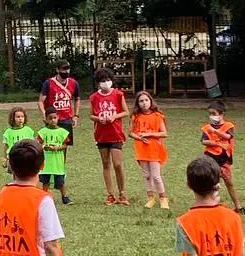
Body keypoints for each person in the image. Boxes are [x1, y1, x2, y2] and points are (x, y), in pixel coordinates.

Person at [89, 68, 130, 205]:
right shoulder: (94, 97)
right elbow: (91, 115)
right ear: (98, 83)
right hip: (101, 135)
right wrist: (98, 118)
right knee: (106, 164)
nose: (105, 83)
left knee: (117, 164)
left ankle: (122, 193)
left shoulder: (118, 94)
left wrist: (114, 116)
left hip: (116, 133)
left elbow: (125, 112)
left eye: (107, 80)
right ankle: (110, 194)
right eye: (102, 81)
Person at [201, 101, 245, 214]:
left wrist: (216, 132)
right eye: (210, 114)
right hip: (210, 158)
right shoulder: (206, 127)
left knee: (229, 182)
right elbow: (204, 141)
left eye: (214, 113)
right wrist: (215, 143)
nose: (212, 116)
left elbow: (228, 136)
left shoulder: (228, 126)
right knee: (212, 183)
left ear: (221, 114)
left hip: (223, 158)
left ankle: (238, 206)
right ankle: (210, 205)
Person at [129, 91, 169, 210]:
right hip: (141, 149)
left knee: (156, 176)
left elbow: (164, 133)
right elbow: (130, 132)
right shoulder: (135, 116)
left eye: (146, 100)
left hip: (154, 149)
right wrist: (139, 137)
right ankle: (150, 198)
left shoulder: (157, 116)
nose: (144, 103)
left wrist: (150, 134)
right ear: (138, 103)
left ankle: (163, 198)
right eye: (141, 101)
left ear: (150, 101)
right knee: (146, 175)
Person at [38, 60, 80, 151]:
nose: (66, 71)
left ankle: (62, 160)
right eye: (63, 69)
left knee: (64, 146)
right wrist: (44, 114)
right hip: (52, 118)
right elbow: (41, 101)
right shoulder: (49, 83)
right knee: (49, 143)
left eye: (68, 69)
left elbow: (77, 99)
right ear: (57, 70)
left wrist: (76, 116)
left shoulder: (73, 83)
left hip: (67, 119)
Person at [36, 108, 72, 205]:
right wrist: (45, 146)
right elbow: (38, 143)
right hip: (46, 162)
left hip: (58, 162)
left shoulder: (63, 132)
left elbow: (65, 145)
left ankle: (64, 197)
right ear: (46, 119)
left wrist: (58, 147)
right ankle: (44, 197)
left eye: (55, 118)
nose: (53, 120)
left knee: (60, 181)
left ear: (58, 118)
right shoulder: (42, 132)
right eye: (50, 118)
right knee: (45, 181)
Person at [2, 107, 36, 174]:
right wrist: (4, 159)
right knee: (15, 176)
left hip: (26, 158)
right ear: (12, 118)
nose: (20, 118)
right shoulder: (8, 132)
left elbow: (32, 145)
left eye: (22, 117)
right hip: (13, 158)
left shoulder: (28, 130)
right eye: (18, 117)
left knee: (25, 176)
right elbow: (6, 146)